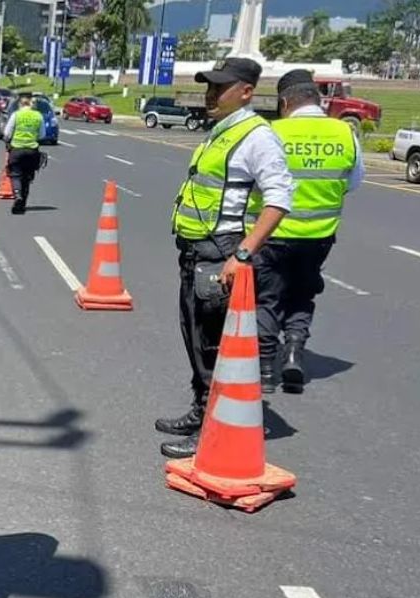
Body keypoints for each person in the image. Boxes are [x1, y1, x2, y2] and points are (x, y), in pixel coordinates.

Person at [157, 58, 294, 459]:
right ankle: (201, 411)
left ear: (247, 91)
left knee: (214, 347)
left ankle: (212, 431)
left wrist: (242, 254)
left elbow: (279, 200)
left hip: (221, 252)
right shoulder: (221, 132)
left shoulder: (256, 137)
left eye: (220, 87)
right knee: (197, 340)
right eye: (209, 87)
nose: (210, 95)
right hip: (197, 252)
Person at [254, 69, 364, 393]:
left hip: (273, 232)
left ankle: (264, 368)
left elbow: (255, 182)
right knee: (302, 294)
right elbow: (353, 183)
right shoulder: (345, 133)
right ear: (319, 100)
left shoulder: (272, 131)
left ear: (285, 101)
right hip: (319, 236)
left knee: (268, 297)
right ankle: (293, 354)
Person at [1, 92, 44, 214]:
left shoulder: (16, 115)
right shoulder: (38, 116)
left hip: (17, 149)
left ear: (20, 104)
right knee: (27, 177)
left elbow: (7, 133)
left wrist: (9, 139)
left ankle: (17, 195)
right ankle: (23, 203)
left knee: (15, 174)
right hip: (32, 150)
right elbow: (42, 135)